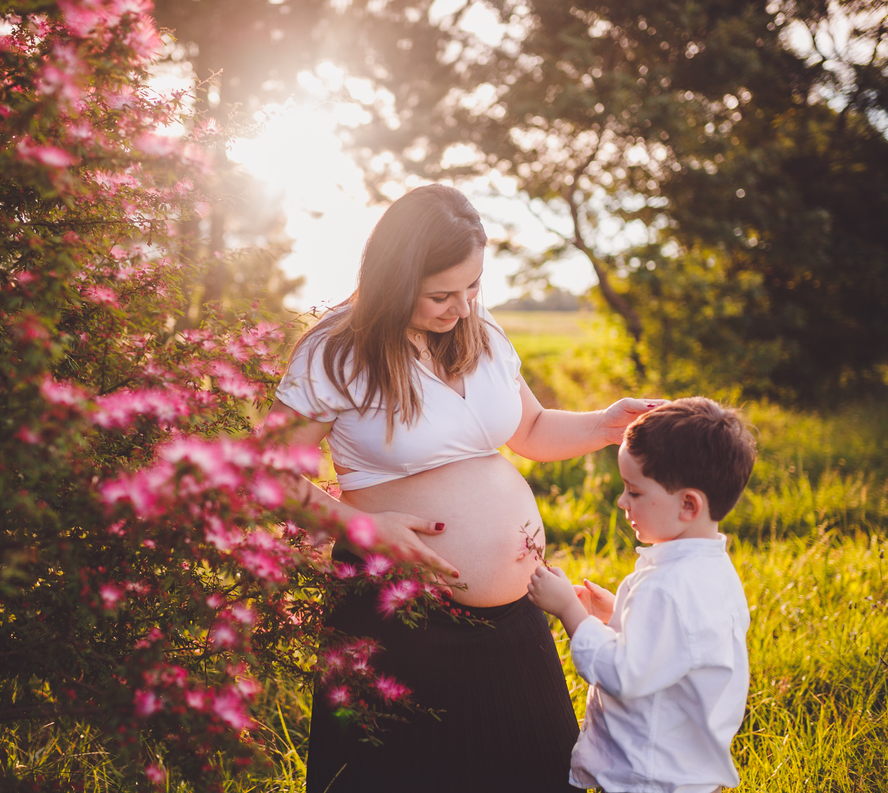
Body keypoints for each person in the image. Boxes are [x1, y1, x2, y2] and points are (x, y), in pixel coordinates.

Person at [268, 184, 662, 793]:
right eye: (441, 294)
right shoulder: (337, 350)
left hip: (519, 610)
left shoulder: (480, 332)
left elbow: (529, 429)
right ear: (394, 278)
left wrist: (604, 425)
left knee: (534, 772)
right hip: (398, 609)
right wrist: (361, 528)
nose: (462, 305)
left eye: (474, 286)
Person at [526, 397, 756, 793]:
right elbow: (679, 646)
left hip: (648, 777)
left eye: (634, 491)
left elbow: (624, 673)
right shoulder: (712, 571)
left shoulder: (668, 588)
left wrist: (568, 610)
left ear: (688, 504)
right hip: (681, 771)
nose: (621, 502)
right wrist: (617, 614)